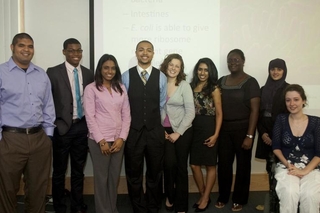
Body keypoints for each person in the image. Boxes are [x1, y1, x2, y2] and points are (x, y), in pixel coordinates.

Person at [0, 33, 55, 213]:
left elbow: (48, 105)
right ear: (12, 48)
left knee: (39, 190)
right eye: (21, 45)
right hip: (10, 139)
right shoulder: (1, 73)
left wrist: (48, 136)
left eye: (30, 46)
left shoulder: (41, 74)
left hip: (39, 139)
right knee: (7, 190)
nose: (26, 50)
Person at [47, 38, 94, 213]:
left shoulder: (89, 74)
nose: (76, 54)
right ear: (64, 52)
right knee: (59, 171)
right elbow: (48, 101)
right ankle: (59, 206)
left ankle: (77, 205)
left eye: (79, 50)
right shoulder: (53, 72)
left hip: (81, 127)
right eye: (71, 50)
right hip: (62, 128)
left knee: (78, 171)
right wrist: (53, 125)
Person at [122, 40, 167, 213]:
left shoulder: (161, 77)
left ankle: (153, 205)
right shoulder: (126, 76)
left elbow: (162, 104)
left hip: (155, 131)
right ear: (136, 53)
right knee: (133, 173)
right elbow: (123, 105)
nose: (145, 53)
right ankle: (138, 207)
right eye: (141, 50)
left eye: (148, 50)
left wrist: (159, 127)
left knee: (155, 172)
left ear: (153, 54)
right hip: (133, 132)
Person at [83, 54, 131, 213]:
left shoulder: (121, 88)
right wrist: (101, 141)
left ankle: (112, 209)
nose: (109, 71)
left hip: (118, 141)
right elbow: (90, 117)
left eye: (112, 68)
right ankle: (103, 210)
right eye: (106, 68)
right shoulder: (91, 88)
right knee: (101, 179)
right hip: (99, 141)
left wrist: (122, 138)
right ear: (100, 69)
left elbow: (126, 115)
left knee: (113, 178)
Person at [215, 49, 260, 211]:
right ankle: (223, 196)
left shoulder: (250, 82)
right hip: (224, 130)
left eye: (236, 59)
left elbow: (255, 110)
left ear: (243, 61)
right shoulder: (221, 81)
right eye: (230, 60)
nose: (233, 62)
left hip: (243, 130)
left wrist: (250, 135)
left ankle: (239, 198)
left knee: (243, 166)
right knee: (224, 165)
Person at [272, 84, 320, 213]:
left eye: (296, 99)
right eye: (288, 100)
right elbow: (276, 147)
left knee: (310, 195)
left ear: (303, 101)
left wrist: (304, 171)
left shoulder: (316, 122)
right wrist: (287, 164)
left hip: (311, 169)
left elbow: (319, 153)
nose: (292, 103)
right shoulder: (281, 120)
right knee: (289, 192)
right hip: (287, 167)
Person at [159, 54, 195, 213]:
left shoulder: (184, 86)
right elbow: (155, 109)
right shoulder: (159, 83)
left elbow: (190, 113)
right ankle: (170, 196)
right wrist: (162, 131)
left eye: (177, 66)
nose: (173, 68)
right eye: (171, 64)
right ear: (166, 65)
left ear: (180, 69)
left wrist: (177, 133)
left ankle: (181, 205)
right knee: (168, 165)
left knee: (181, 167)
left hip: (183, 131)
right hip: (164, 131)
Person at [255, 58, 289, 211]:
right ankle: (272, 204)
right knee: (270, 171)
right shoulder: (263, 89)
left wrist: (276, 136)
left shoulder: (289, 89)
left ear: (284, 71)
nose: (275, 72)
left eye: (279, 69)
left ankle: (281, 204)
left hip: (281, 137)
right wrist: (262, 133)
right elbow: (258, 114)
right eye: (272, 69)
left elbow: (290, 116)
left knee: (281, 172)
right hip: (265, 134)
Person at [189, 58, 223, 212]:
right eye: (200, 69)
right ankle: (203, 194)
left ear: (210, 72)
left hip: (209, 128)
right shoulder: (190, 87)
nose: (202, 73)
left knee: (210, 165)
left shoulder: (214, 88)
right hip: (193, 128)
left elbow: (219, 114)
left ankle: (206, 197)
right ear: (197, 70)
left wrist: (216, 135)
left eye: (206, 70)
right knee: (194, 164)